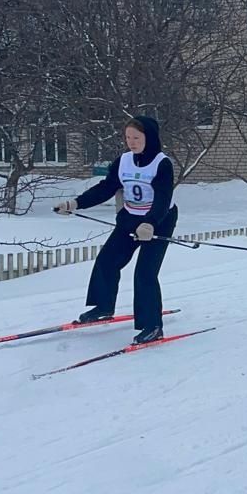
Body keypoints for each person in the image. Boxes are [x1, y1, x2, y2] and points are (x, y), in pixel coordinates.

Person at [54, 116, 177, 345]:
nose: (131, 142)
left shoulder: (162, 163)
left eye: (136, 138)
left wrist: (149, 223)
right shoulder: (123, 161)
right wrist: (75, 203)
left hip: (159, 220)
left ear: (149, 138)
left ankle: (153, 326)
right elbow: (107, 187)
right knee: (107, 260)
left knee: (145, 273)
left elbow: (162, 199)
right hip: (131, 217)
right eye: (128, 137)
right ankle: (103, 306)